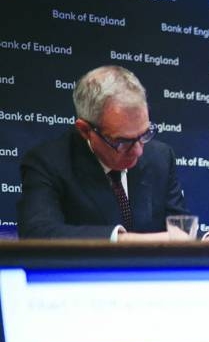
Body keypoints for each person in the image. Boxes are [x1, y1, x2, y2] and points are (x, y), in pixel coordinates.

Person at [18, 65, 192, 241]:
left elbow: (179, 229)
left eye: (144, 134)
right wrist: (121, 241)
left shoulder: (160, 157)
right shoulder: (47, 163)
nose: (139, 150)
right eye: (123, 141)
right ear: (85, 130)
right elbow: (37, 233)